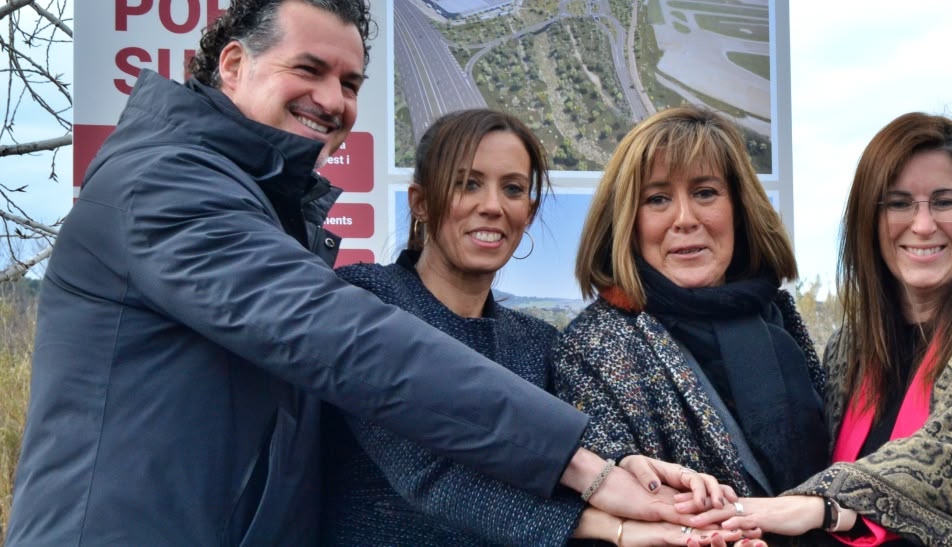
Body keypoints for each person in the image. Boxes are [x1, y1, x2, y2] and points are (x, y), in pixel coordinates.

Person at [4, 1, 695, 544]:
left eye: (350, 82)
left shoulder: (270, 207)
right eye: (309, 69)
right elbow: (351, 342)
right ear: (234, 65)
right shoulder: (163, 181)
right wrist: (586, 467)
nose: (333, 99)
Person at [322, 108, 751, 547]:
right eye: (467, 183)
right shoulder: (367, 299)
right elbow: (427, 472)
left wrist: (630, 465)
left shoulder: (538, 344)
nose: (492, 206)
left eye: (512, 188)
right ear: (421, 201)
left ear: (528, 212)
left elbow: (578, 446)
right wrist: (616, 527)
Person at [682, 112, 952, 546]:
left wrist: (825, 504)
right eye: (898, 203)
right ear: (871, 221)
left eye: (944, 201)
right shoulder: (851, 347)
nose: (922, 224)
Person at [554, 105, 830, 544]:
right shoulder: (593, 345)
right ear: (627, 219)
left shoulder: (778, 317)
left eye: (705, 192)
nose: (685, 218)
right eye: (658, 198)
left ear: (739, 208)